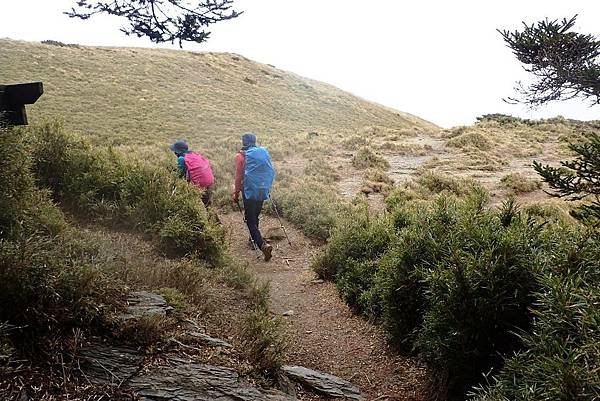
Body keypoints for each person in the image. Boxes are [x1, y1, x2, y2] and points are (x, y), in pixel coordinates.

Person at [232, 132, 275, 262]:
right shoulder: (262, 153)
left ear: (243, 142)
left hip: (249, 190)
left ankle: (262, 244)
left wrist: (236, 193)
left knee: (249, 219)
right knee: (255, 216)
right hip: (262, 189)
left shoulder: (240, 156)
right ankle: (253, 239)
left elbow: (239, 177)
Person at [169, 140, 215, 206]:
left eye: (175, 151)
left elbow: (180, 175)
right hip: (209, 181)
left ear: (177, 152)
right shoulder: (194, 155)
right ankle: (210, 213)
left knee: (194, 203)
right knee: (207, 204)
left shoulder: (181, 159)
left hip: (199, 185)